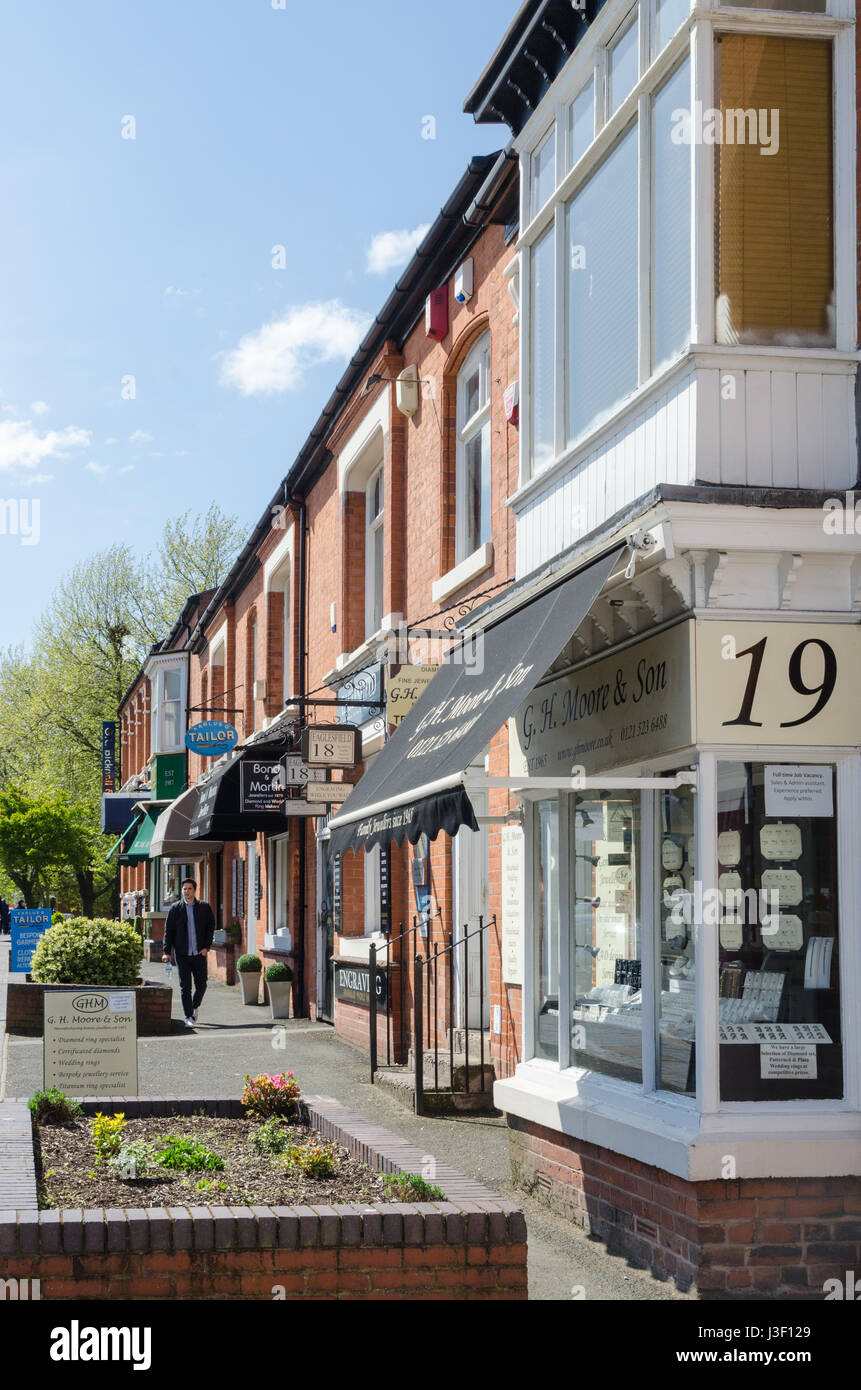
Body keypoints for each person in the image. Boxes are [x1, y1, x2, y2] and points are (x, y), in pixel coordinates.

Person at [162, 878, 215, 1029]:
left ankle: (194, 1006)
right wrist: (167, 951)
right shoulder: (175, 908)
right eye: (184, 889)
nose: (187, 891)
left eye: (189, 889)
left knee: (202, 985)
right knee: (185, 987)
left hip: (199, 954)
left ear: (194, 890)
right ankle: (189, 1016)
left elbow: (210, 927)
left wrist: (206, 947)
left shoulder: (204, 907)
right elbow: (168, 931)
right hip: (182, 955)